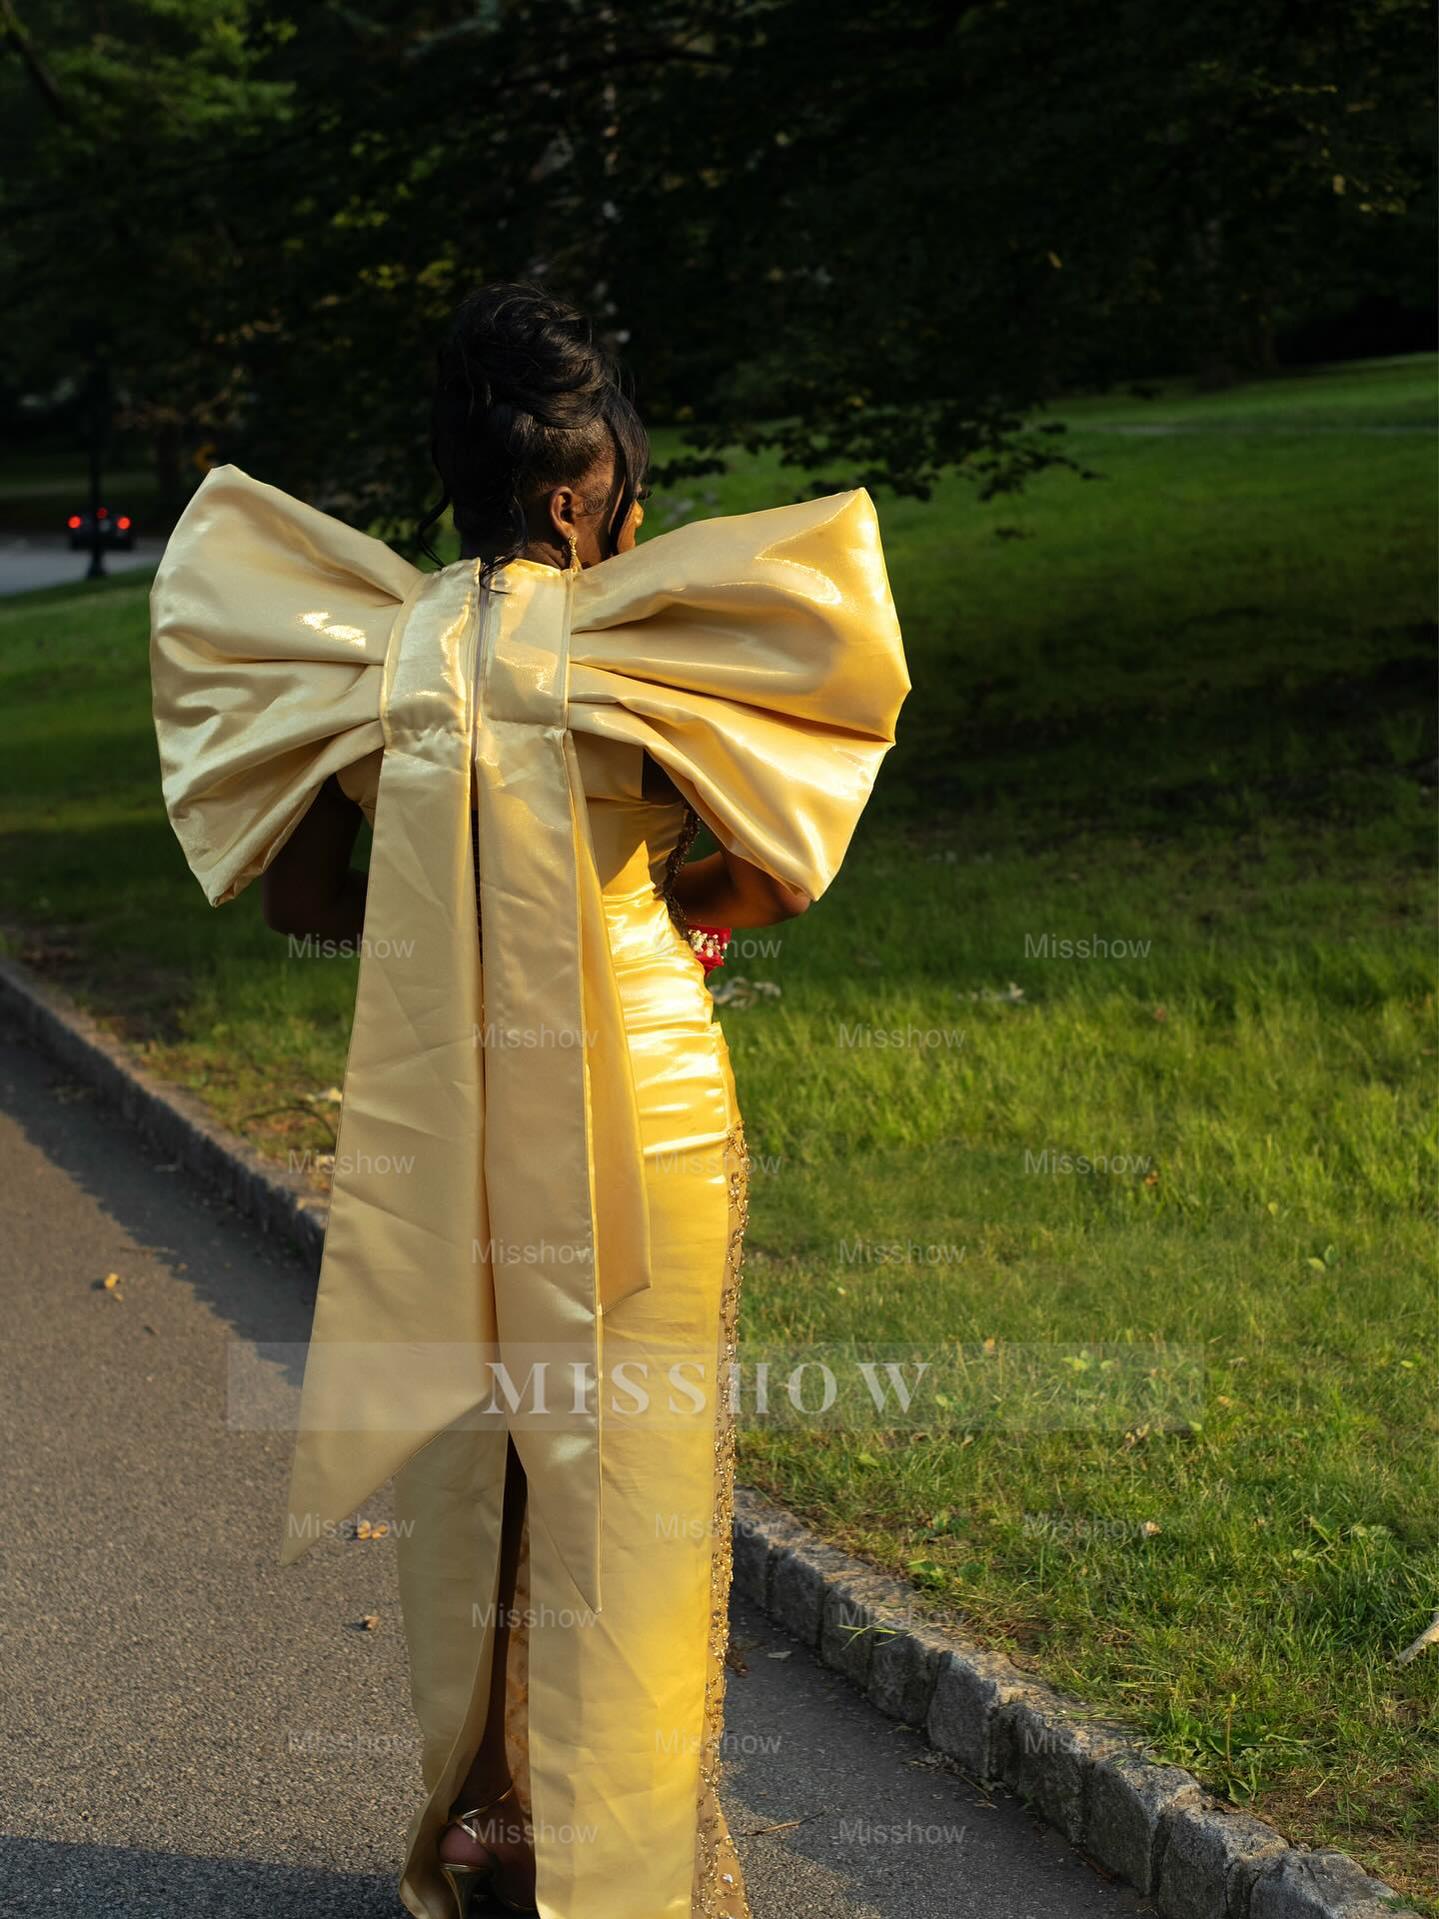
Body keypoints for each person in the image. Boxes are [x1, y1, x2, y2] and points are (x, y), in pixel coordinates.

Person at [148, 281, 909, 1919]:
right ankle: (613, 1855)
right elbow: (772, 869)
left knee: (472, 1456)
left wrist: (449, 926)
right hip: (637, 1097)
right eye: (628, 484)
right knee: (623, 1472)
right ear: (577, 499)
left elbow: (293, 907)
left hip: (435, 1108)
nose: (639, 512)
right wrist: (667, 911)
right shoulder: (645, 650)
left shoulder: (362, 656)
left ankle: (483, 1819)